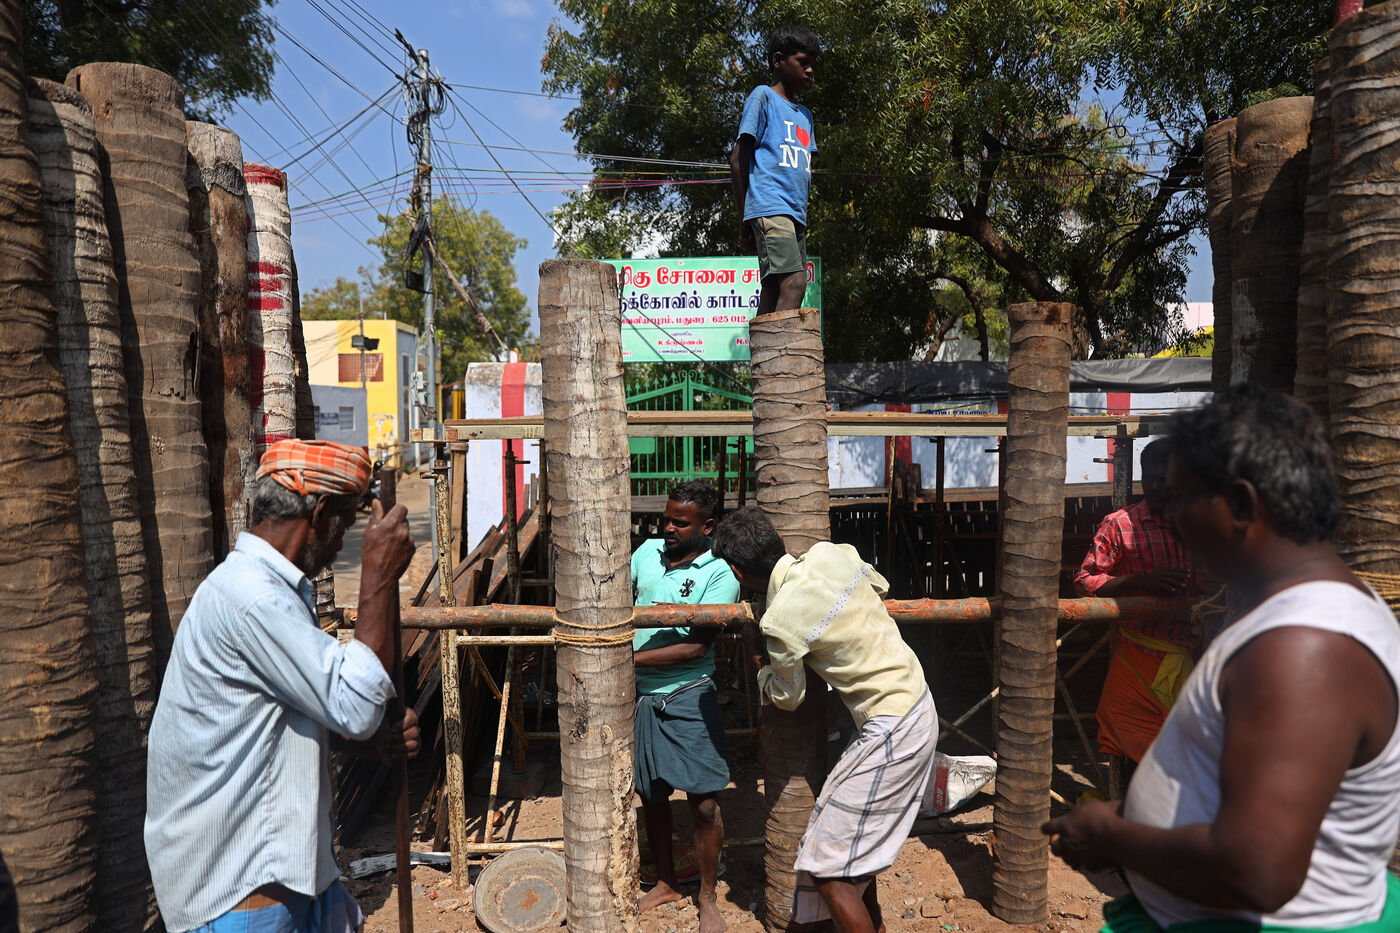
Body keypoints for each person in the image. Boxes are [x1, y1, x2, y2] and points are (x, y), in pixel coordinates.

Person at [1044, 384, 1400, 931]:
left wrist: (1113, 836)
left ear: (1239, 504)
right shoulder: (1317, 614)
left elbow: (1258, 870)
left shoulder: (1301, 651)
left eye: (1182, 497)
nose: (1172, 516)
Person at [145, 440, 418, 933]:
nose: (340, 544)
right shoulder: (254, 600)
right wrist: (377, 575)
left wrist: (368, 742)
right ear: (321, 512)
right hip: (243, 891)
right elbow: (357, 705)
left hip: (293, 876)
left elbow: (268, 722)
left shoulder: (266, 591)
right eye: (344, 525)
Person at [712, 508, 935, 933]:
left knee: (827, 869)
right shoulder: (833, 554)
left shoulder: (780, 620)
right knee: (848, 856)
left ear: (738, 572)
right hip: (914, 703)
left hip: (894, 728)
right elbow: (879, 585)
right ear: (777, 541)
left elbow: (787, 697)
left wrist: (757, 657)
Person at [632, 481, 740, 933]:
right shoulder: (646, 553)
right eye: (667, 518)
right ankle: (667, 882)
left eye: (680, 522)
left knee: (705, 805)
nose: (669, 528)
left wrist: (625, 659)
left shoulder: (721, 574)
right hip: (640, 697)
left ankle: (708, 896)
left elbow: (697, 647)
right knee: (652, 797)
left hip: (689, 693)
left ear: (708, 526)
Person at [1074, 437, 1199, 782]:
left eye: (1165, 478)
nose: (1156, 486)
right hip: (1141, 659)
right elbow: (1085, 580)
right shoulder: (1119, 524)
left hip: (1200, 657)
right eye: (1150, 478)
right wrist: (1140, 582)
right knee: (1141, 760)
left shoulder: (1202, 525)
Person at [729, 25, 821, 317]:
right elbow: (738, 159)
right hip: (770, 206)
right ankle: (780, 348)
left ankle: (761, 347)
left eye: (812, 65)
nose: (809, 70)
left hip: (796, 215)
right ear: (779, 61)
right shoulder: (763, 97)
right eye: (803, 62)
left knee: (773, 287)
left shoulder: (805, 115)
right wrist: (744, 217)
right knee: (794, 283)